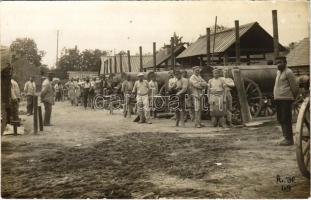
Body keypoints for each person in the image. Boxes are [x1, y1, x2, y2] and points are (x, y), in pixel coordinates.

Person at [273, 56, 299, 146]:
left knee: (286, 119)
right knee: (280, 119)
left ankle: (289, 139)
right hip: (278, 99)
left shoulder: (289, 72)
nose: (278, 65)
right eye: (277, 63)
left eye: (280, 62)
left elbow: (294, 87)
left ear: (285, 63)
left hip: (286, 99)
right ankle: (285, 137)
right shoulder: (278, 72)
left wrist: (294, 98)